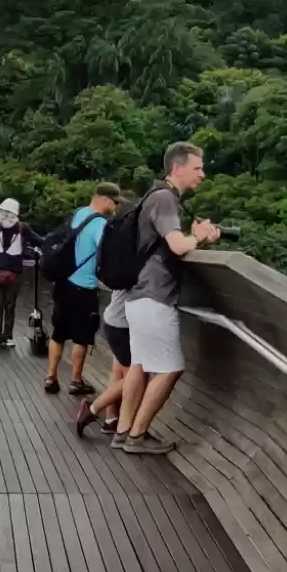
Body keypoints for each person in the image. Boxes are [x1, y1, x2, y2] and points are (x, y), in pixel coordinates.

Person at [114, 142, 220, 455]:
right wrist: (198, 236)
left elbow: (169, 247)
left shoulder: (155, 196)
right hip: (155, 298)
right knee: (170, 368)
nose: (202, 173)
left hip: (138, 296)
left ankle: (123, 431)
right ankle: (137, 435)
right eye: (198, 167)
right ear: (177, 168)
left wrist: (197, 240)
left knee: (140, 364)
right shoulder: (164, 198)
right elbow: (176, 245)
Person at [44, 184, 120, 395]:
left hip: (62, 282)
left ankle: (51, 376)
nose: (116, 207)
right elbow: (107, 254)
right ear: (105, 200)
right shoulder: (100, 224)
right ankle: (76, 380)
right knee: (82, 337)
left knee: (58, 333)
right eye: (115, 202)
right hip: (84, 287)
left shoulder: (78, 214)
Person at [0, 199, 41, 349]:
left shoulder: (23, 228)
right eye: (3, 212)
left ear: (15, 214)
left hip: (14, 273)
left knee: (10, 306)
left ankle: (7, 337)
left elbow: (37, 240)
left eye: (8, 212)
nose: (4, 215)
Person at [74, 288, 130, 435]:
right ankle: (94, 408)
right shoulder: (136, 265)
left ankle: (111, 420)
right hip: (124, 323)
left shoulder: (121, 265)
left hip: (115, 319)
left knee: (119, 371)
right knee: (136, 378)